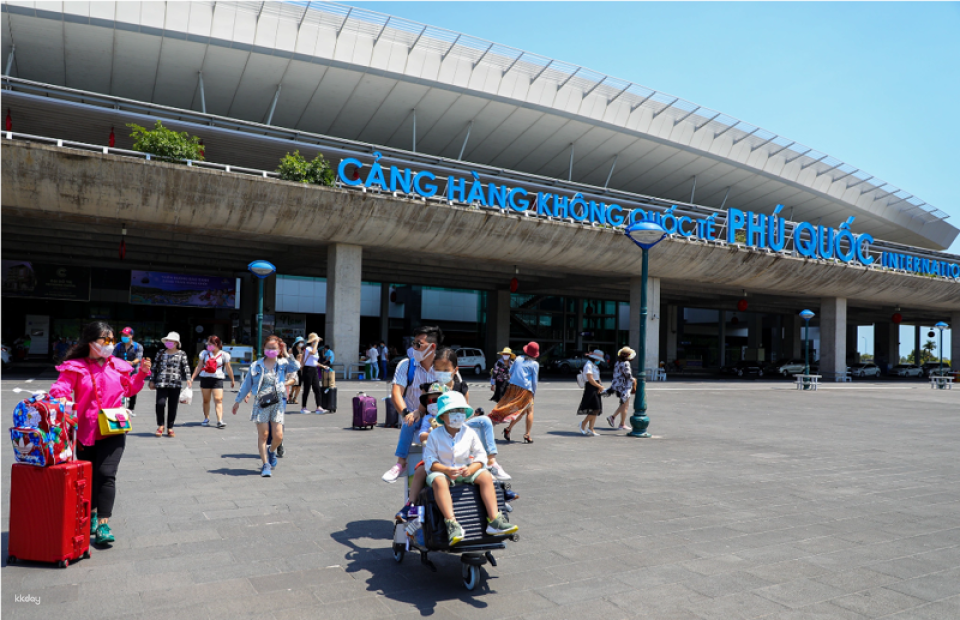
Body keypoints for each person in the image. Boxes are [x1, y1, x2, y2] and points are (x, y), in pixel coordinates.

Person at [49, 321, 152, 546]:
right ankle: (92, 515)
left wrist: (142, 374)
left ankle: (104, 524)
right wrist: (57, 398)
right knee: (89, 476)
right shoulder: (75, 367)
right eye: (104, 340)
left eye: (112, 340)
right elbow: (61, 388)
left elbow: (129, 389)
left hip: (114, 428)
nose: (109, 344)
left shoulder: (118, 365)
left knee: (107, 473)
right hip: (86, 430)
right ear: (90, 342)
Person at [424, 391, 518, 546]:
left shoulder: (469, 432)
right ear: (443, 416)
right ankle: (451, 523)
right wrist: (446, 470)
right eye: (452, 412)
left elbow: (481, 455)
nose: (458, 415)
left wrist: (473, 468)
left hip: (466, 469)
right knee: (439, 482)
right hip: (442, 472)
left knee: (486, 477)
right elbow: (429, 460)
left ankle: (494, 520)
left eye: (461, 411)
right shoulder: (435, 434)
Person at [381, 326, 442, 483]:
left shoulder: (444, 366)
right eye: (413, 343)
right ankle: (401, 463)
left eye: (418, 344)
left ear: (432, 346)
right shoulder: (406, 365)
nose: (413, 348)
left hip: (441, 418)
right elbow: (396, 393)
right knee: (409, 422)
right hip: (416, 416)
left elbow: (459, 391)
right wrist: (405, 413)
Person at [232, 335, 299, 477]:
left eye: (274, 348)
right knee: (264, 435)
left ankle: (271, 451)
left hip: (278, 402)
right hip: (261, 402)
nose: (271, 350)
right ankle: (265, 464)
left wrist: (286, 353)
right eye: (268, 347)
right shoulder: (256, 365)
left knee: (278, 436)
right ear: (263, 348)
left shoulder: (282, 364)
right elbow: (247, 384)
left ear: (279, 349)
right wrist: (238, 401)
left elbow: (296, 367)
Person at [490, 342, 540, 444]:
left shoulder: (518, 359)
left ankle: (508, 428)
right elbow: (534, 381)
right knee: (530, 411)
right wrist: (533, 393)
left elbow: (511, 372)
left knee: (520, 410)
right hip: (526, 389)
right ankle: (527, 434)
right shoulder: (535, 364)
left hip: (513, 387)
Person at [149, 332, 192, 438]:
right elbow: (154, 367)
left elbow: (186, 367)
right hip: (161, 382)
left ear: (176, 343)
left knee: (173, 406)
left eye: (170, 341)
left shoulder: (182, 354)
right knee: (160, 403)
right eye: (167, 341)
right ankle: (160, 425)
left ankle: (170, 427)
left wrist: (188, 379)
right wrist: (151, 380)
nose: (168, 342)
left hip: (175, 383)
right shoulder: (161, 352)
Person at [190, 335, 235, 429]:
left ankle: (219, 420)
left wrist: (232, 379)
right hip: (205, 378)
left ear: (217, 344)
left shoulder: (224, 355)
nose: (208, 346)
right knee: (206, 400)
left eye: (210, 344)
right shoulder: (204, 353)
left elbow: (228, 368)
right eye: (208, 344)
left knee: (218, 399)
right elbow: (199, 366)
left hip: (218, 378)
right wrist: (192, 377)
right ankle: (206, 418)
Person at [112, 327, 143, 416]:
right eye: (123, 335)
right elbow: (113, 357)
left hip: (133, 370)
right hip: (120, 371)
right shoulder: (117, 346)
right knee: (118, 388)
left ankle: (131, 408)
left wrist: (132, 363)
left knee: (133, 388)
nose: (124, 336)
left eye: (126, 335)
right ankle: (118, 405)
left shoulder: (138, 346)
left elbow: (139, 358)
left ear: (131, 336)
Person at [606, 347, 636, 430]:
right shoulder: (626, 363)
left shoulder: (617, 363)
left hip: (618, 386)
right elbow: (628, 375)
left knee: (623, 404)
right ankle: (614, 418)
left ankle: (621, 423)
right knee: (625, 405)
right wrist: (634, 380)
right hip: (625, 386)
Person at [578, 350, 606, 436]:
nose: (599, 361)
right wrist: (599, 386)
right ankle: (583, 424)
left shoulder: (594, 365)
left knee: (596, 409)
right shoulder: (588, 365)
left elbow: (597, 377)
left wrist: (600, 386)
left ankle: (591, 428)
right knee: (596, 408)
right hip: (591, 387)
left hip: (596, 386)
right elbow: (590, 378)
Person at [300, 333, 326, 414]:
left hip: (314, 369)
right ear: (312, 341)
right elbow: (313, 352)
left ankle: (319, 406)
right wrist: (316, 343)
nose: (317, 342)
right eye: (315, 340)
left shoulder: (315, 349)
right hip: (308, 370)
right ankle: (303, 407)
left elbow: (314, 361)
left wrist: (322, 366)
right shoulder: (308, 348)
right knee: (307, 389)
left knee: (317, 388)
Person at [288, 336, 306, 406]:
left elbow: (304, 359)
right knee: (294, 384)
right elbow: (289, 359)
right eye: (300, 342)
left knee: (299, 385)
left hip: (301, 369)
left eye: (302, 342)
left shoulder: (303, 350)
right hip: (294, 369)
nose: (302, 343)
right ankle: (291, 395)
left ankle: (295, 398)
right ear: (297, 342)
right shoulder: (291, 350)